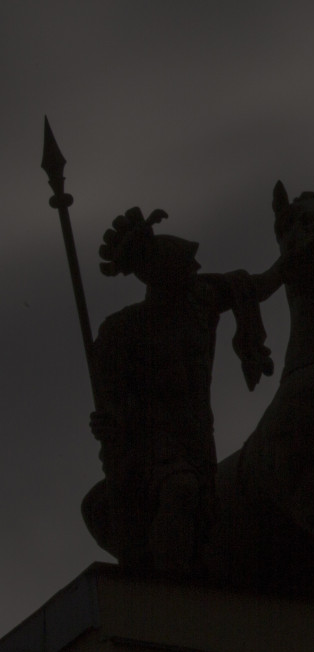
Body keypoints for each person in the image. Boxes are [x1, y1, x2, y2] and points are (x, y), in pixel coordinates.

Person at [82, 207, 280, 576]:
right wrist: (108, 423)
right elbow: (110, 400)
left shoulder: (200, 299)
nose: (193, 273)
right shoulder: (122, 330)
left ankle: (181, 578)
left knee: (201, 514)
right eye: (184, 270)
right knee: (180, 490)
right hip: (151, 443)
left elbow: (255, 286)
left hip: (197, 437)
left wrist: (290, 259)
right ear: (157, 276)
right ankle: (167, 587)